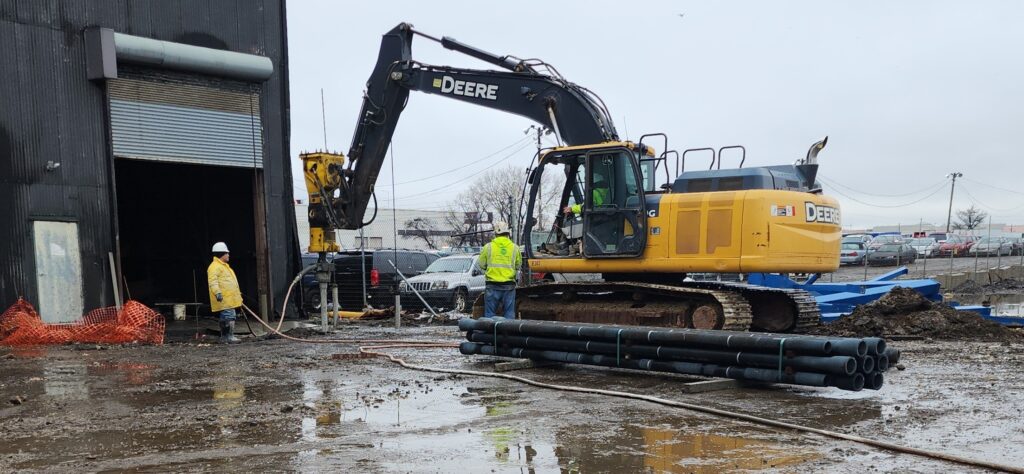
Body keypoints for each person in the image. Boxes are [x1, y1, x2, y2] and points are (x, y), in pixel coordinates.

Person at [477, 222, 522, 319]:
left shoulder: (488, 247)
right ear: (508, 233)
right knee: (509, 315)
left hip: (492, 285)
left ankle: (489, 333)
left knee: (489, 316)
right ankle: (508, 333)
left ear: (495, 233)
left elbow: (481, 264)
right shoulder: (515, 248)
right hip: (509, 286)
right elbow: (518, 265)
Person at [207, 242, 242, 343]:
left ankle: (227, 336)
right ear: (222, 253)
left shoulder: (224, 266)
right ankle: (227, 337)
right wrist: (217, 292)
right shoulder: (214, 267)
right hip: (224, 298)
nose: (228, 255)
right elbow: (212, 282)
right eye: (227, 253)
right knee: (228, 316)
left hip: (229, 298)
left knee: (230, 315)